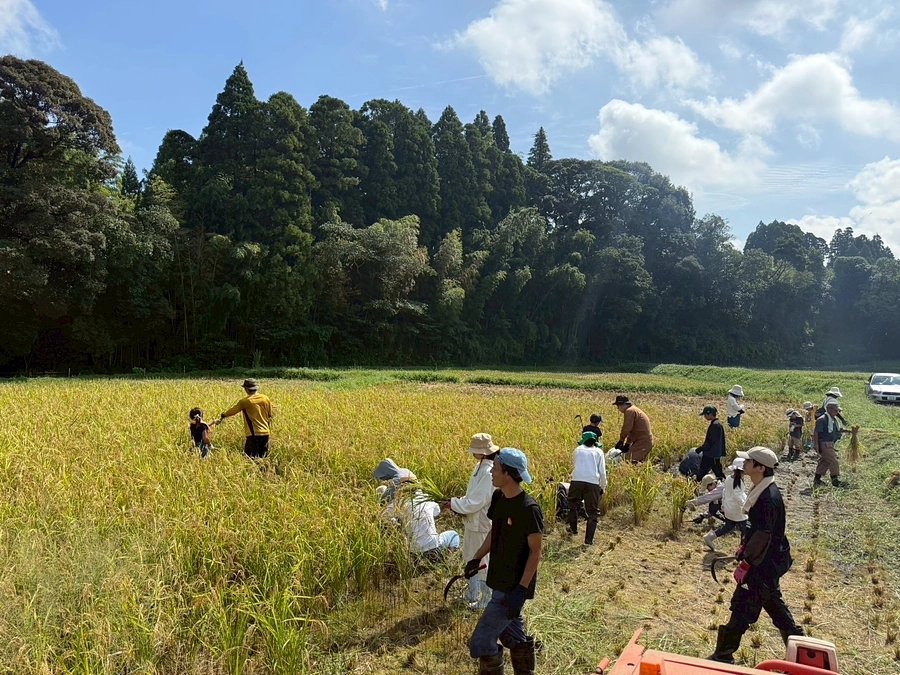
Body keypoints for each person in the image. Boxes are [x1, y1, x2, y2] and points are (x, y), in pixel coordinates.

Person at [708, 446, 803, 663]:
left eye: (749, 461)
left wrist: (746, 562)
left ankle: (723, 656)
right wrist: (744, 548)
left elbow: (763, 536)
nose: (745, 463)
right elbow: (756, 531)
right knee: (774, 606)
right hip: (766, 563)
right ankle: (801, 650)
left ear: (760, 467)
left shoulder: (768, 498)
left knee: (742, 607)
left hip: (762, 565)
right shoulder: (761, 489)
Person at [467, 448, 543, 675]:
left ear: (508, 474)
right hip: (497, 581)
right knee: (513, 636)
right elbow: (494, 531)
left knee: (481, 642)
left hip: (511, 589)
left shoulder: (528, 509)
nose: (491, 472)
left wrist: (521, 589)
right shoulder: (499, 497)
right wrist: (476, 557)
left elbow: (536, 552)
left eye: (496, 469)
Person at [445, 433, 499, 609]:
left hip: (481, 523)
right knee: (470, 557)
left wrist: (454, 504)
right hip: (472, 521)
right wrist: (457, 503)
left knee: (482, 561)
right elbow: (471, 497)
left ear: (483, 452)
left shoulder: (488, 471)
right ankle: (472, 593)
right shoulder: (479, 466)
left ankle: (485, 599)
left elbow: (477, 501)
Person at [375, 459, 459, 561]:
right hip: (434, 549)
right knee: (454, 535)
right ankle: (448, 561)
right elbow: (437, 511)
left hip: (414, 553)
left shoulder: (397, 505)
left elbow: (382, 516)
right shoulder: (426, 500)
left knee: (401, 525)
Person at [692, 453, 749, 550]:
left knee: (727, 527)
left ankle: (709, 537)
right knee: (746, 528)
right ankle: (743, 549)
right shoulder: (738, 481)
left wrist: (723, 505)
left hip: (729, 510)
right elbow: (737, 496)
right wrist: (746, 507)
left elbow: (724, 493)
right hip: (737, 510)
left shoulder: (729, 479)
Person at [567, 431, 607, 546]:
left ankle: (573, 529)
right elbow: (602, 472)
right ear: (595, 441)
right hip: (593, 483)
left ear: (583, 440)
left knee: (572, 505)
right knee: (592, 512)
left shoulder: (577, 450)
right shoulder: (599, 452)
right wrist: (603, 486)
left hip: (577, 481)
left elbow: (575, 465)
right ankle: (588, 541)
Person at [218, 379, 273, 458]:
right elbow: (270, 414)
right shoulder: (265, 398)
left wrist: (223, 415)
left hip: (254, 433)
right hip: (266, 433)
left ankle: (254, 470)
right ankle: (265, 470)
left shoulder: (245, 401)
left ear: (246, 389)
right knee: (263, 457)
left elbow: (233, 411)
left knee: (250, 458)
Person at [812, 398, 850, 489]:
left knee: (824, 461)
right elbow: (816, 432)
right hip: (824, 444)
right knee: (833, 460)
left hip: (829, 443)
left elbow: (837, 430)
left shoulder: (833, 420)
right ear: (829, 409)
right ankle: (835, 480)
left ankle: (817, 479)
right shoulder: (822, 419)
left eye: (838, 411)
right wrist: (816, 445)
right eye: (836, 410)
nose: (837, 412)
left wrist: (849, 431)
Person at [613, 395, 653, 463]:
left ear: (623, 405)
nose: (618, 408)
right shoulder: (634, 409)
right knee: (635, 463)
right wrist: (627, 444)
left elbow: (626, 428)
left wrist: (621, 441)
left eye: (618, 406)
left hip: (642, 442)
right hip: (644, 441)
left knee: (627, 460)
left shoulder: (629, 411)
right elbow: (633, 432)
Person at [697, 405, 726, 480]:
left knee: (703, 471)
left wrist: (701, 449)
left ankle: (694, 486)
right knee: (717, 470)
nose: (704, 417)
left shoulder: (714, 425)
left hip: (710, 453)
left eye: (705, 415)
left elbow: (710, 441)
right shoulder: (718, 424)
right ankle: (724, 484)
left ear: (709, 414)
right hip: (715, 453)